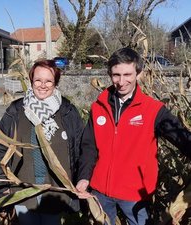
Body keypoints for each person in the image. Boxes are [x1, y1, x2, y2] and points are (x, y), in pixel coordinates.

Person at [75, 47, 191, 225]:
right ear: (109, 74)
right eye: (116, 75)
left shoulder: (153, 110)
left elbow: (181, 138)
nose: (122, 81)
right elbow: (89, 146)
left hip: (135, 195)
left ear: (139, 74)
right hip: (101, 192)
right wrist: (84, 177)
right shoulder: (98, 107)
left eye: (128, 74)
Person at [0, 59, 84, 225]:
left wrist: (80, 180)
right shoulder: (16, 111)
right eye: (38, 80)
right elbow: (0, 150)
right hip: (23, 189)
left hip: (54, 190)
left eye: (48, 81)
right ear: (31, 81)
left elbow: (79, 149)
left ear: (55, 82)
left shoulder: (67, 112)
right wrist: (1, 185)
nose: (43, 85)